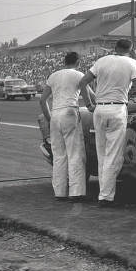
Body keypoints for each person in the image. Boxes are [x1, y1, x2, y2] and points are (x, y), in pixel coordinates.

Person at [80, 39, 136, 207]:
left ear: (115, 48)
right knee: (113, 156)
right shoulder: (131, 63)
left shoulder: (102, 61)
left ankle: (103, 192)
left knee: (102, 154)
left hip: (99, 109)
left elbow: (82, 82)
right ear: (130, 49)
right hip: (117, 109)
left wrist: (88, 104)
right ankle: (105, 197)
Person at [40, 52, 94, 201]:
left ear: (64, 62)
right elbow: (92, 95)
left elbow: (42, 100)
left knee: (59, 156)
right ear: (78, 62)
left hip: (55, 114)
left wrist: (49, 118)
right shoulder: (78, 75)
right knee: (75, 154)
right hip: (70, 111)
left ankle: (60, 192)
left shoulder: (53, 76)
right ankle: (76, 192)